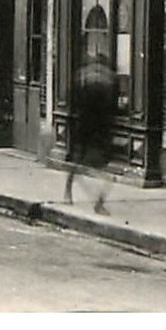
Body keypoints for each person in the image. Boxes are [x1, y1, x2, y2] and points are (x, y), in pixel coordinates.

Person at [64, 48, 118, 214]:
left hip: (84, 123)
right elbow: (114, 104)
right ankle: (98, 200)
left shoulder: (82, 75)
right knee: (103, 168)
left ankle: (68, 191)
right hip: (102, 126)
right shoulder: (110, 78)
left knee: (78, 161)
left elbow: (71, 98)